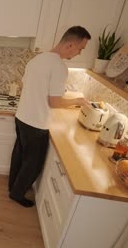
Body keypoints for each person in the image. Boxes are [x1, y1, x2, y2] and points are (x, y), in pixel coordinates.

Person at [9, 26, 91, 207]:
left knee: (20, 154)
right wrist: (76, 101)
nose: (79, 53)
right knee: (33, 163)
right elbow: (54, 102)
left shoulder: (36, 60)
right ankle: (17, 193)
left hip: (22, 116)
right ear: (70, 45)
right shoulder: (59, 67)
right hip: (37, 123)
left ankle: (13, 186)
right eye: (80, 48)